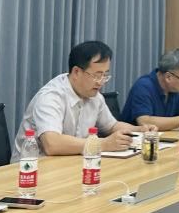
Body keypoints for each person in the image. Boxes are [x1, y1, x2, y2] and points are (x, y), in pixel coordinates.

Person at [12, 40, 152, 159]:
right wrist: (103, 144)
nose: (101, 82)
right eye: (97, 75)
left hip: (70, 163)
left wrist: (140, 129)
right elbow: (52, 144)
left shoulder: (94, 96)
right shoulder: (51, 97)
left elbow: (111, 126)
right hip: (30, 170)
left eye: (105, 75)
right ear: (76, 72)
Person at [120, 49, 179, 132]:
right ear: (168, 77)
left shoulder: (173, 90)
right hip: (133, 140)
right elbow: (145, 121)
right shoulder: (143, 86)